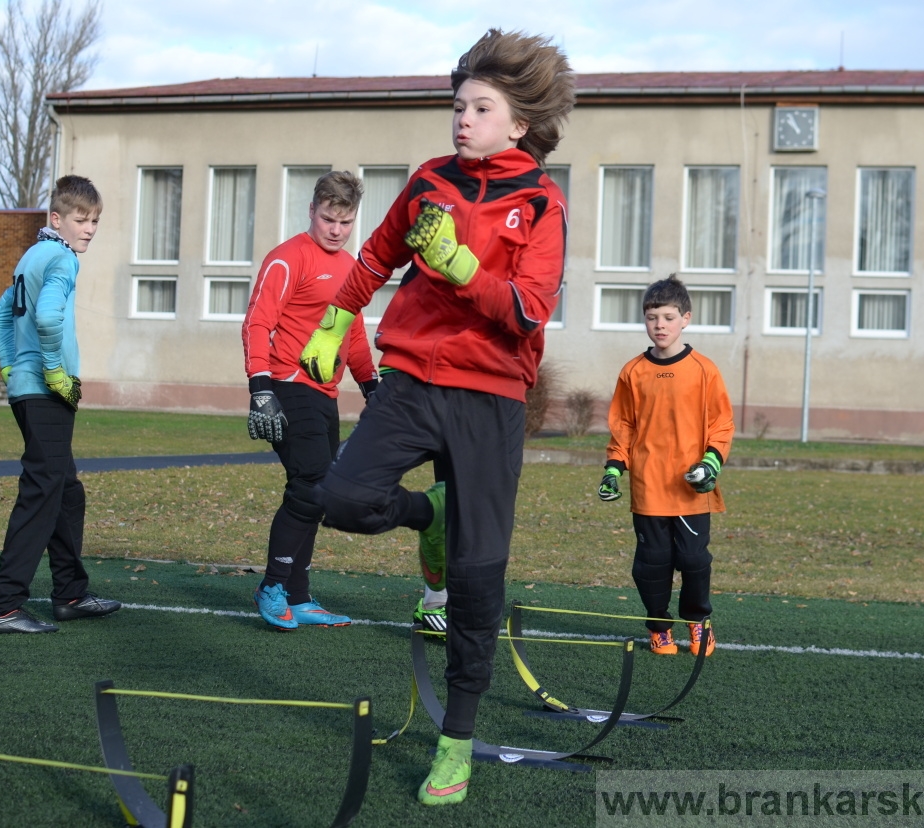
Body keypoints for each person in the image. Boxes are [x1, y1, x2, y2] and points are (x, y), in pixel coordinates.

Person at [298, 29, 574, 806]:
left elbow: (527, 310)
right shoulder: (427, 180)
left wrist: (460, 267)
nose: (462, 118)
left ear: (517, 123)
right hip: (413, 379)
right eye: (458, 105)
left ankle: (455, 740)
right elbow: (377, 255)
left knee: (479, 580)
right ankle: (429, 515)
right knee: (341, 498)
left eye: (480, 107)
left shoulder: (541, 203)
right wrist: (332, 323)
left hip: (490, 399)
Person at [0, 175, 121, 634]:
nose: (89, 228)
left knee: (66, 492)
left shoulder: (31, 256)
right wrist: (53, 371)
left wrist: (10, 369)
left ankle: (70, 593)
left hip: (29, 389)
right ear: (56, 219)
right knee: (42, 492)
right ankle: (4, 606)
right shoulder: (61, 258)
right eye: (81, 219)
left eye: (95, 220)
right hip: (47, 391)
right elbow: (45, 316)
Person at [242, 170, 378, 631]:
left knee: (320, 493)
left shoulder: (351, 266)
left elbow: (353, 332)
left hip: (324, 394)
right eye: (328, 219)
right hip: (284, 385)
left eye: (345, 222)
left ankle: (297, 597)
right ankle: (273, 585)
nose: (336, 230)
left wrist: (371, 384)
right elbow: (257, 323)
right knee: (311, 483)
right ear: (312, 212)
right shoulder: (287, 258)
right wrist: (259, 387)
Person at [598, 275, 735, 658]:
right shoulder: (633, 372)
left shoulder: (704, 370)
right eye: (652, 317)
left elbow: (721, 424)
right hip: (648, 488)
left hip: (690, 490)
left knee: (693, 560)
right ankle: (659, 626)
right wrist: (613, 469)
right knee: (652, 565)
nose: (660, 325)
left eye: (669, 317)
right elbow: (623, 425)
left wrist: (711, 462)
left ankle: (697, 622)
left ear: (686, 319)